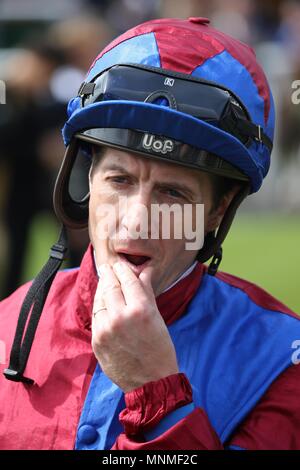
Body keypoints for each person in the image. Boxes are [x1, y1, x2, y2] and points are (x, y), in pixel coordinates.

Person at [0, 17, 300, 451]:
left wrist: (156, 393)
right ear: (86, 181)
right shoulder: (8, 324)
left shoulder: (279, 362)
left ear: (217, 210)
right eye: (119, 180)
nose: (136, 220)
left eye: (172, 193)